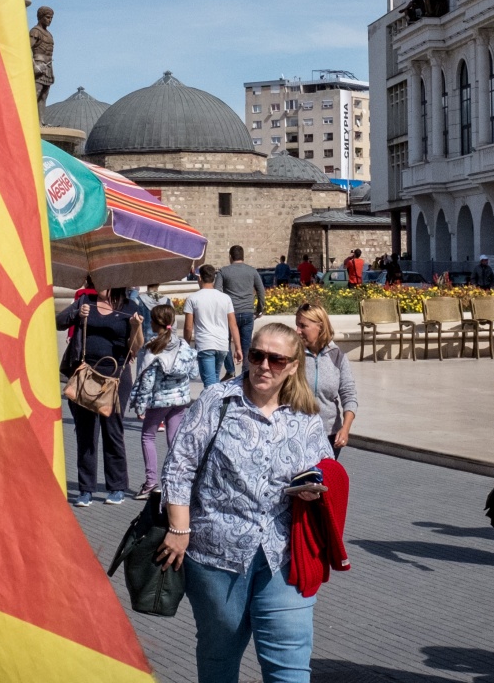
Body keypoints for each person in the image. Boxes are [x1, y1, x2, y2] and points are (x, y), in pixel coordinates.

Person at [158, 323, 334, 683]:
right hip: (215, 554)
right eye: (257, 355)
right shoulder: (217, 400)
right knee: (219, 656)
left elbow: (325, 469)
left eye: (276, 359)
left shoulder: (306, 415)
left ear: (294, 365)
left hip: (284, 554)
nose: (264, 366)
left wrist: (314, 486)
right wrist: (178, 528)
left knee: (290, 663)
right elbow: (179, 466)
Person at [55, 287, 143, 507]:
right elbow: (58, 321)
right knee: (85, 434)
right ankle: (86, 489)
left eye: (106, 282)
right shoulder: (86, 301)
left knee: (113, 432)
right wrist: (77, 314)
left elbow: (136, 347)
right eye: (98, 280)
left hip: (116, 378)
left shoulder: (129, 307)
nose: (101, 286)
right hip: (86, 376)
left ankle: (116, 487)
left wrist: (136, 327)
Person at [129, 304, 198, 500]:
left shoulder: (154, 348)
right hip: (180, 400)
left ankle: (151, 482)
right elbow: (193, 372)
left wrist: (140, 405)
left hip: (159, 400)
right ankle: (177, 480)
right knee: (174, 439)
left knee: (148, 437)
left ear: (153, 323)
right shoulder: (183, 345)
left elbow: (147, 381)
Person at [295, 303, 358, 456]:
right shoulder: (293, 355)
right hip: (297, 435)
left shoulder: (337, 356)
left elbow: (349, 395)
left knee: (326, 479)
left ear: (320, 327)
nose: (297, 331)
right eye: (297, 325)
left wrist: (345, 429)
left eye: (303, 326)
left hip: (329, 435)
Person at [184, 265, 243, 387]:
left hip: (205, 344)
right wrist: (238, 348)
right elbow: (233, 325)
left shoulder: (192, 298)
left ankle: (214, 405)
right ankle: (216, 404)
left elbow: (188, 327)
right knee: (214, 380)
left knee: (210, 384)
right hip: (222, 345)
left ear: (199, 278)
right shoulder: (225, 298)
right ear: (214, 279)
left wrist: (186, 346)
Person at [217, 245, 266, 378]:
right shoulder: (252, 271)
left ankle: (230, 370)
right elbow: (261, 291)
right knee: (246, 344)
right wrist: (260, 309)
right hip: (247, 312)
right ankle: (245, 372)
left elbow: (217, 292)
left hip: (229, 314)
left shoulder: (223, 271)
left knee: (225, 342)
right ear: (243, 256)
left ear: (230, 257)